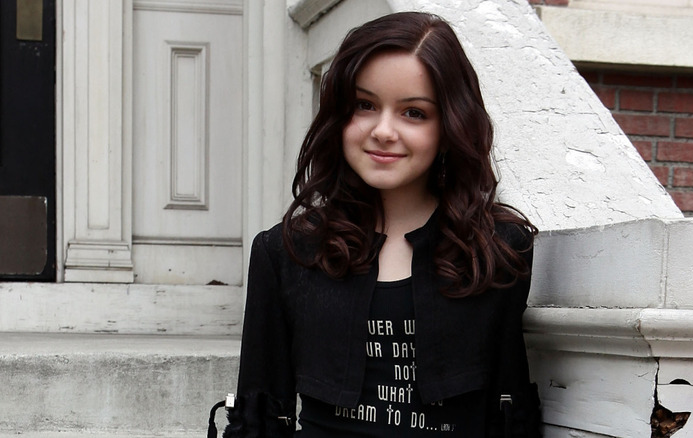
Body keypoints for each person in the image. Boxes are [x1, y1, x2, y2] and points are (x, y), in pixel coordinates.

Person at [225, 11, 541, 438]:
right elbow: (258, 417)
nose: (383, 131)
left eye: (414, 112)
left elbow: (510, 411)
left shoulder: (498, 250)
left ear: (449, 126)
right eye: (365, 105)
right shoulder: (287, 252)